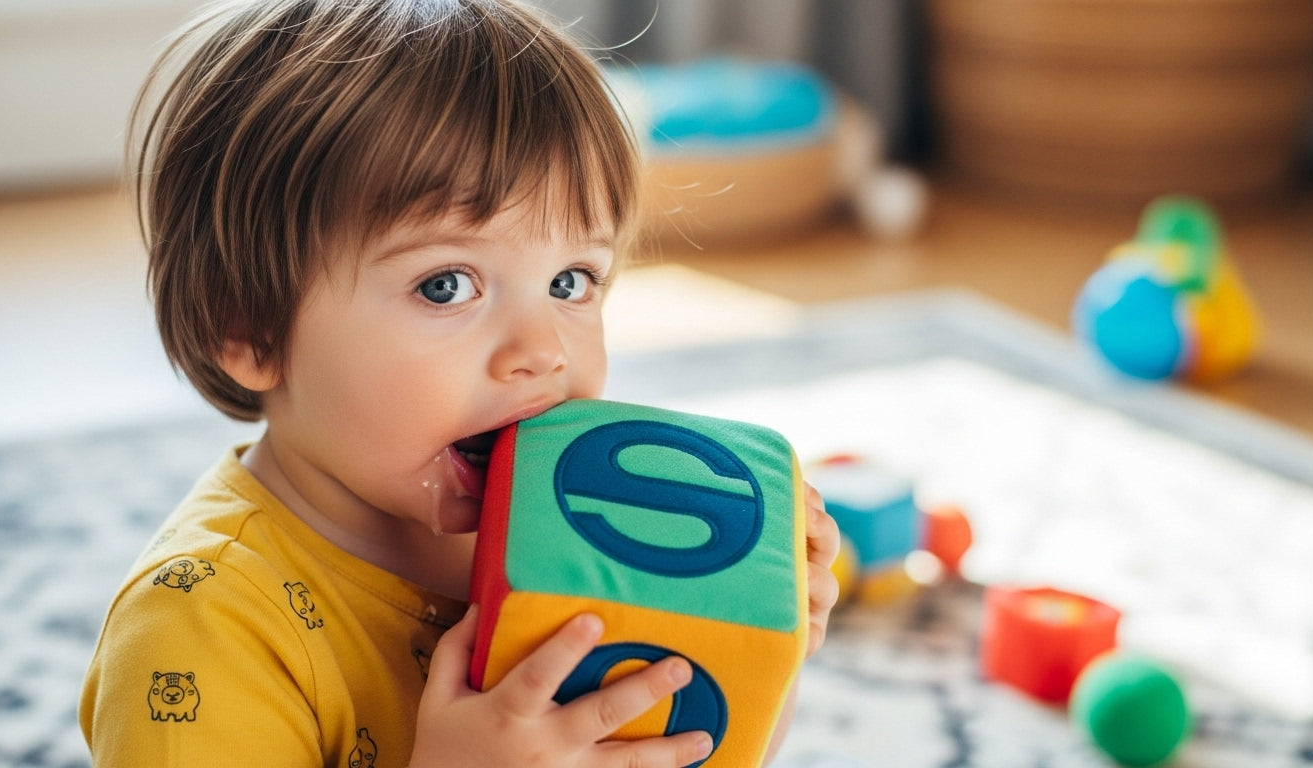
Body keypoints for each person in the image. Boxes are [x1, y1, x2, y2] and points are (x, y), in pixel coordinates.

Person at [79, 1, 841, 766]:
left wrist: (756, 643)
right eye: (447, 285)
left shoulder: (577, 542)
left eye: (572, 281)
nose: (541, 352)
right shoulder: (200, 626)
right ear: (247, 328)